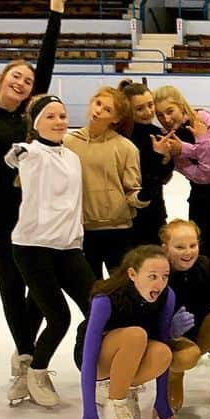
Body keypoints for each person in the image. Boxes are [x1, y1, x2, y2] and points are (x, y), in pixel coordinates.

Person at [0, 0, 66, 396]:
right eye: (16, 77)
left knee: (42, 287)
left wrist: (55, 15)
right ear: (2, 80)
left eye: (28, 80)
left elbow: (46, 63)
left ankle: (26, 349)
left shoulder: (30, 115)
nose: (24, 83)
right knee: (12, 286)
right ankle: (25, 355)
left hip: (40, 212)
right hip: (7, 214)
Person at [5, 94, 96, 408]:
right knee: (58, 317)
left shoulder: (71, 156)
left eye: (62, 115)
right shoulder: (32, 153)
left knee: (97, 308)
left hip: (69, 247)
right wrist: (20, 150)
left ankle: (96, 371)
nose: (59, 122)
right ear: (36, 122)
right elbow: (15, 156)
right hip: (33, 247)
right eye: (50, 116)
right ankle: (36, 371)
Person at [75, 246, 177, 419]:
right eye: (152, 276)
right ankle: (116, 405)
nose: (160, 283)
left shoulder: (167, 296)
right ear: (132, 274)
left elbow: (162, 340)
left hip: (131, 355)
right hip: (97, 361)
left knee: (163, 353)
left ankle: (118, 391)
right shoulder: (106, 298)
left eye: (165, 276)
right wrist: (89, 417)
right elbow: (88, 356)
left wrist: (162, 401)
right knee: (136, 335)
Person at [64, 86, 145, 278]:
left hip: (118, 231)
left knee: (121, 289)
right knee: (90, 292)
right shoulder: (67, 143)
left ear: (116, 119)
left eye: (107, 109)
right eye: (98, 103)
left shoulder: (126, 148)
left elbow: (132, 191)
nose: (98, 110)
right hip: (82, 230)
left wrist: (144, 195)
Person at [161, 219, 210, 417]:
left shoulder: (206, 266)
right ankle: (174, 376)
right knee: (188, 356)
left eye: (192, 245)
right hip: (170, 343)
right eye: (179, 247)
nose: (188, 252)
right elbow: (143, 318)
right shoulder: (158, 273)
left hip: (200, 334)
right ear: (165, 248)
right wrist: (168, 330)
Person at [154, 85, 210, 271]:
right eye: (160, 115)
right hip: (201, 202)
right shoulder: (170, 139)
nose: (166, 119)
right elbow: (203, 176)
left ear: (181, 105)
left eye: (170, 111)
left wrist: (187, 149)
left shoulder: (201, 118)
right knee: (205, 260)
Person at [119, 80, 175, 247]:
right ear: (128, 110)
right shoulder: (120, 137)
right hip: (127, 214)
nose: (148, 111)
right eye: (140, 108)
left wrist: (165, 159)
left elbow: (163, 177)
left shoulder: (158, 134)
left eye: (150, 105)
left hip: (154, 211)